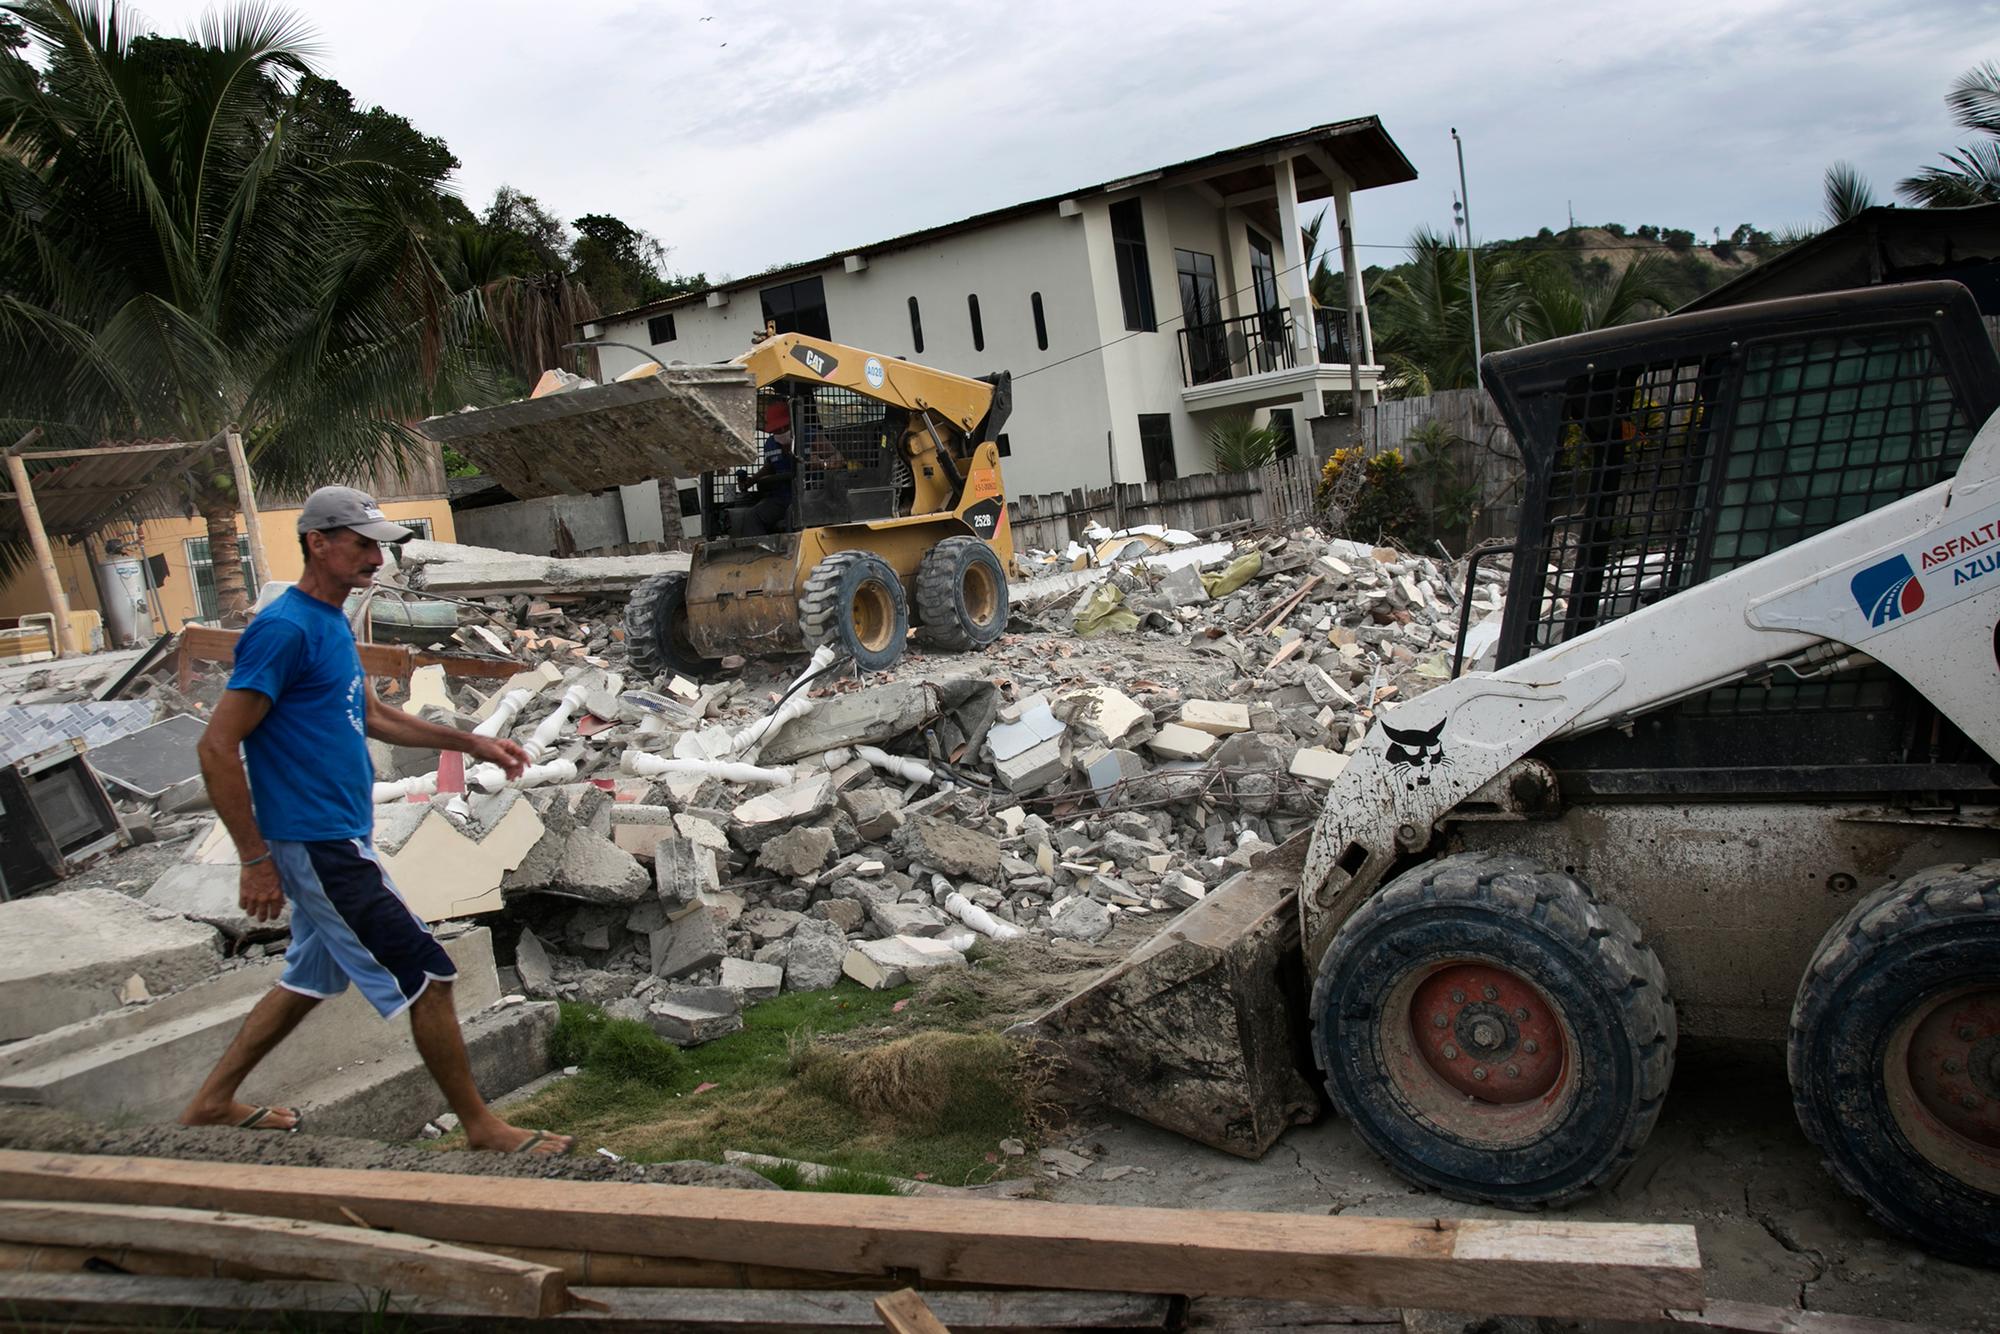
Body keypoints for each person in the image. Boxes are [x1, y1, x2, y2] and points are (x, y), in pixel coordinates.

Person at [177, 486, 573, 1156]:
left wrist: (473, 742)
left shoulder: (331, 622)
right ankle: (481, 1127)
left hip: (337, 833)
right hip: (316, 841)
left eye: (379, 546)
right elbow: (216, 745)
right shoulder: (283, 630)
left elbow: (373, 717)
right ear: (317, 542)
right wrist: (254, 859)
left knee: (310, 978)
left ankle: (212, 1102)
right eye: (361, 544)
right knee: (430, 973)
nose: (374, 558)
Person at [733, 400, 797, 536]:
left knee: (793, 515)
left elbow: (836, 458)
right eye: (776, 430)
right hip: (781, 497)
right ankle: (760, 551)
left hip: (808, 495)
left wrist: (821, 462)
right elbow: (769, 467)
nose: (780, 432)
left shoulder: (810, 436)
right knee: (753, 516)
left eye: (784, 428)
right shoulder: (770, 444)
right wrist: (752, 481)